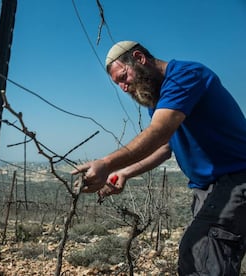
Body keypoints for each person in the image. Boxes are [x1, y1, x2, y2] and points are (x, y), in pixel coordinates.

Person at [72, 41, 246, 275]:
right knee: (206, 258)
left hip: (235, 180)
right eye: (118, 84)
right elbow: (165, 147)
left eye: (123, 77)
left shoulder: (185, 76)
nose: (124, 88)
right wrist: (124, 173)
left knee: (200, 258)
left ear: (139, 58)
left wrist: (107, 163)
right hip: (210, 189)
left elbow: (159, 132)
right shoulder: (158, 99)